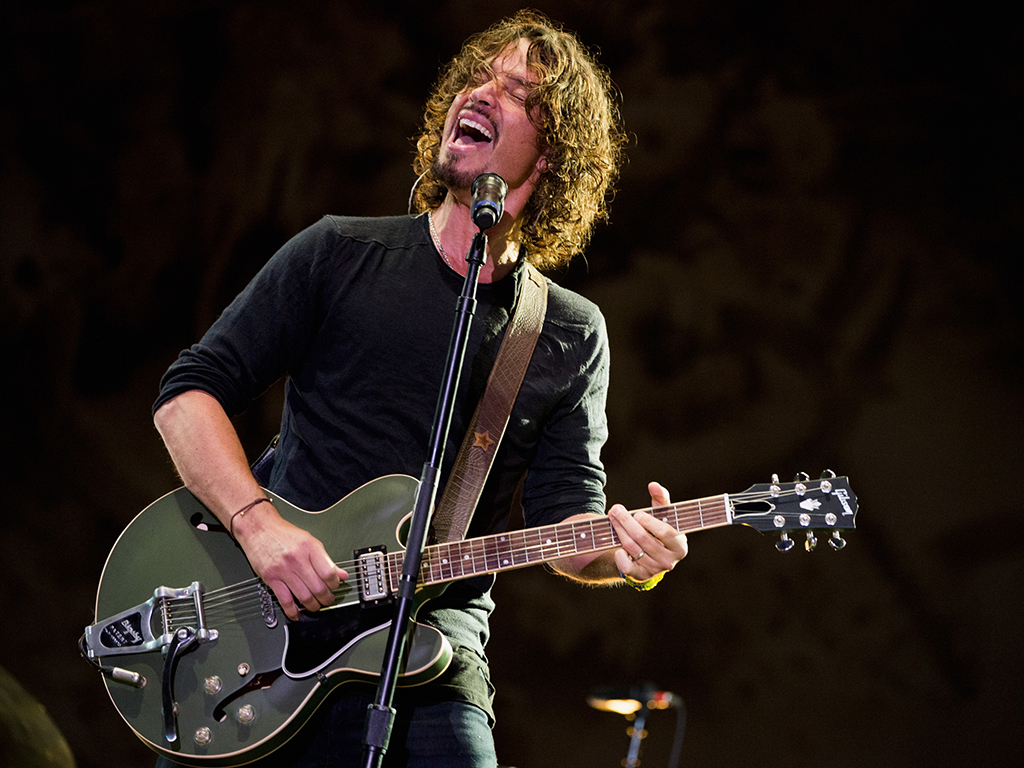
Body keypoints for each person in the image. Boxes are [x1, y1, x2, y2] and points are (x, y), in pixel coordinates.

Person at [152, 10, 688, 767]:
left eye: (516, 91)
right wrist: (257, 526)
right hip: (267, 635)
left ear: (555, 154)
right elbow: (188, 396)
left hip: (436, 660)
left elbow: (569, 521)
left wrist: (630, 558)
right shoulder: (339, 253)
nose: (481, 92)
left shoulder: (568, 332)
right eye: (479, 77)